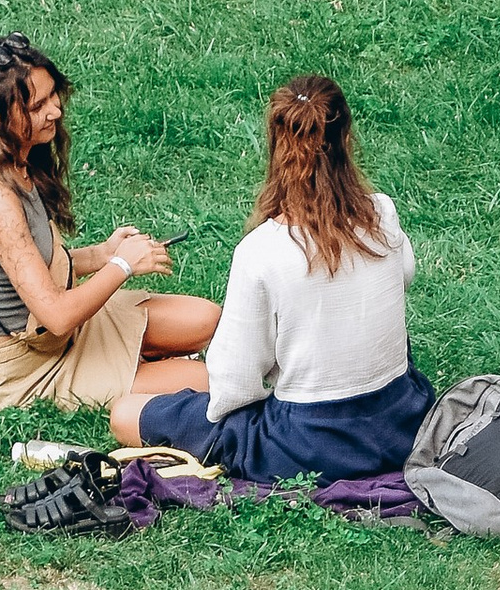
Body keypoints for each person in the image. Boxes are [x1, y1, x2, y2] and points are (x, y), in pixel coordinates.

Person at [120, 74, 434, 481]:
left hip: (308, 443)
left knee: (126, 412)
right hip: (402, 422)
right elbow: (402, 276)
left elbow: (235, 389)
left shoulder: (262, 251)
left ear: (275, 146)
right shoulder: (382, 214)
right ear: (346, 139)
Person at [0, 37, 220, 416]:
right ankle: (132, 370)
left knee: (208, 319)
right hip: (27, 364)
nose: (54, 110)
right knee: (206, 380)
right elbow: (56, 314)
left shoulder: (16, 158)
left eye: (53, 96)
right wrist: (122, 266)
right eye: (37, 106)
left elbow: (32, 268)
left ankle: (137, 364)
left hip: (58, 335)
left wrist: (103, 254)